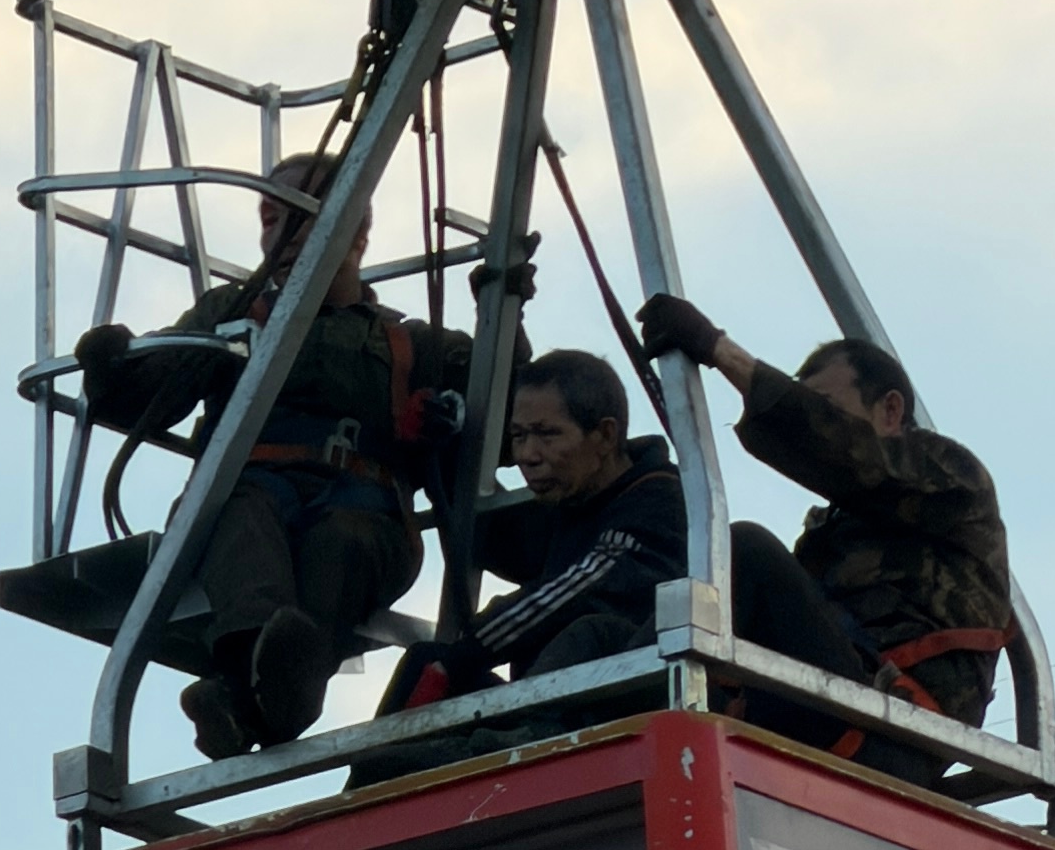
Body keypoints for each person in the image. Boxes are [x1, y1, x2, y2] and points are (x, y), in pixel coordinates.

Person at [76, 150, 482, 757]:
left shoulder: (409, 343)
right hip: (255, 493)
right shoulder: (234, 315)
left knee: (338, 541)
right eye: (271, 219)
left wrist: (503, 311)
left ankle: (247, 698)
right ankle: (266, 689)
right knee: (234, 515)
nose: (283, 236)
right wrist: (110, 369)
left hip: (364, 510)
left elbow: (509, 404)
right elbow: (157, 394)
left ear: (358, 231)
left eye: (302, 217)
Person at [632, 294, 1013, 735]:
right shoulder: (834, 527)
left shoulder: (953, 478)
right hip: (830, 692)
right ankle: (578, 707)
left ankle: (608, 706)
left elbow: (846, 452)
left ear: (890, 410)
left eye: (826, 406)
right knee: (629, 613)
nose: (812, 419)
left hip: (899, 717)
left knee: (747, 552)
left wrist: (715, 348)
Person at [377, 349, 689, 713]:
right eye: (519, 436)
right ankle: (374, 772)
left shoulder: (657, 499)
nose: (528, 454)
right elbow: (499, 537)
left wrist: (465, 653)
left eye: (546, 434)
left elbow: (578, 588)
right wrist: (442, 450)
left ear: (605, 436)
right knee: (423, 661)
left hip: (621, 704)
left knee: (585, 634)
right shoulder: (571, 503)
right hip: (548, 700)